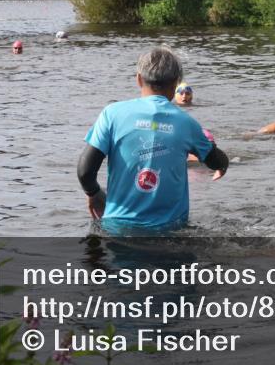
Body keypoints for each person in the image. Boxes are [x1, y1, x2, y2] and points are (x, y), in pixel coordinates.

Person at [76, 45, 229, 232]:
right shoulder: (186, 123)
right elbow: (215, 160)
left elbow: (85, 171)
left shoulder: (112, 114)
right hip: (170, 232)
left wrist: (94, 193)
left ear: (139, 79)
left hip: (118, 229)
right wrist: (223, 164)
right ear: (175, 85)